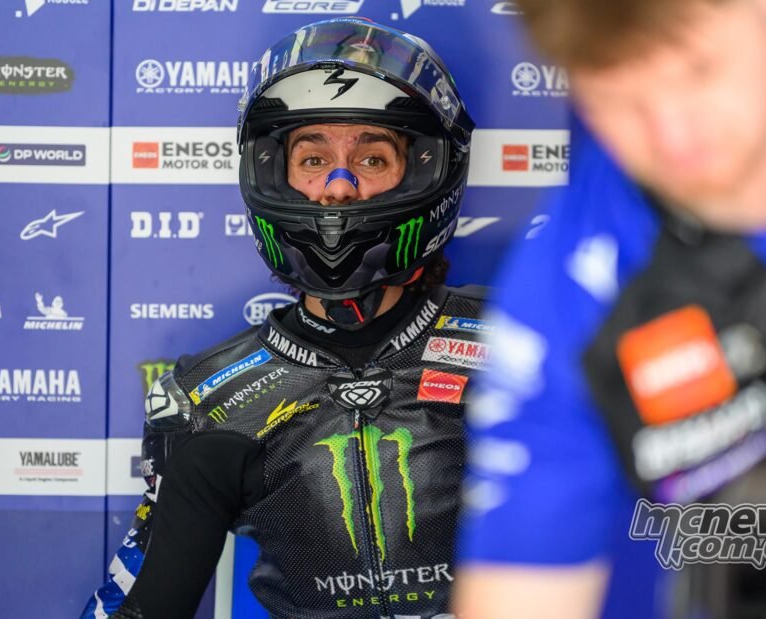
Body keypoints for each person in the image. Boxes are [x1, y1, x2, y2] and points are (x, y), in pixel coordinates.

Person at [453, 0, 766, 617]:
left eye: (697, 71)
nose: (674, 135)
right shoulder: (565, 305)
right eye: (618, 96)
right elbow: (519, 597)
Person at [81, 17, 480, 619]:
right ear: (275, 172)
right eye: (313, 158)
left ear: (424, 169)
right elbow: (141, 606)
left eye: (371, 159)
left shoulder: (519, 345)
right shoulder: (211, 402)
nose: (337, 189)